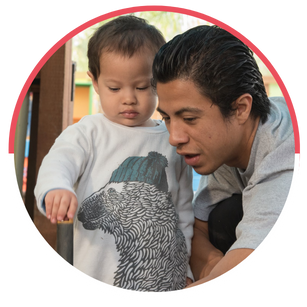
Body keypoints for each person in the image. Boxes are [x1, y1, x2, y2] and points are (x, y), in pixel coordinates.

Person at [34, 16, 194, 291]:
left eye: (143, 87)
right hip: (93, 274)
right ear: (95, 82)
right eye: (115, 88)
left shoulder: (172, 138)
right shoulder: (88, 132)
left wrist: (185, 266)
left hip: (160, 282)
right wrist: (56, 188)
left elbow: (182, 210)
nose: (129, 98)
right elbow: (59, 161)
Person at [152, 25, 294, 287]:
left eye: (190, 118)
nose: (174, 137)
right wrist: (214, 264)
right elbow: (197, 227)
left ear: (240, 108)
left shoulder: (284, 156)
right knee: (223, 214)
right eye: (167, 118)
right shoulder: (223, 145)